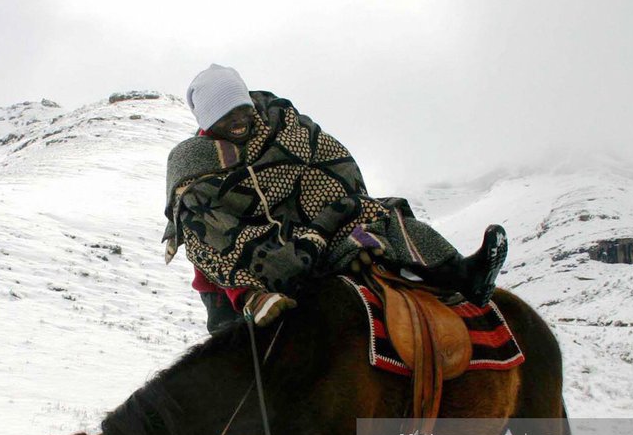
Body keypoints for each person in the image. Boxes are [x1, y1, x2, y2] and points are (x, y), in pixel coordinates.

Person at [163, 64, 508, 334]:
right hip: (243, 270)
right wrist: (250, 285)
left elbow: (330, 166)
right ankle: (254, 299)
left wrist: (326, 222)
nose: (238, 120)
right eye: (226, 116)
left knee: (377, 215)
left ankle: (460, 273)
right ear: (208, 120)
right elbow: (204, 231)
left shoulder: (283, 125)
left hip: (313, 236)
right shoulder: (195, 163)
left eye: (241, 109)